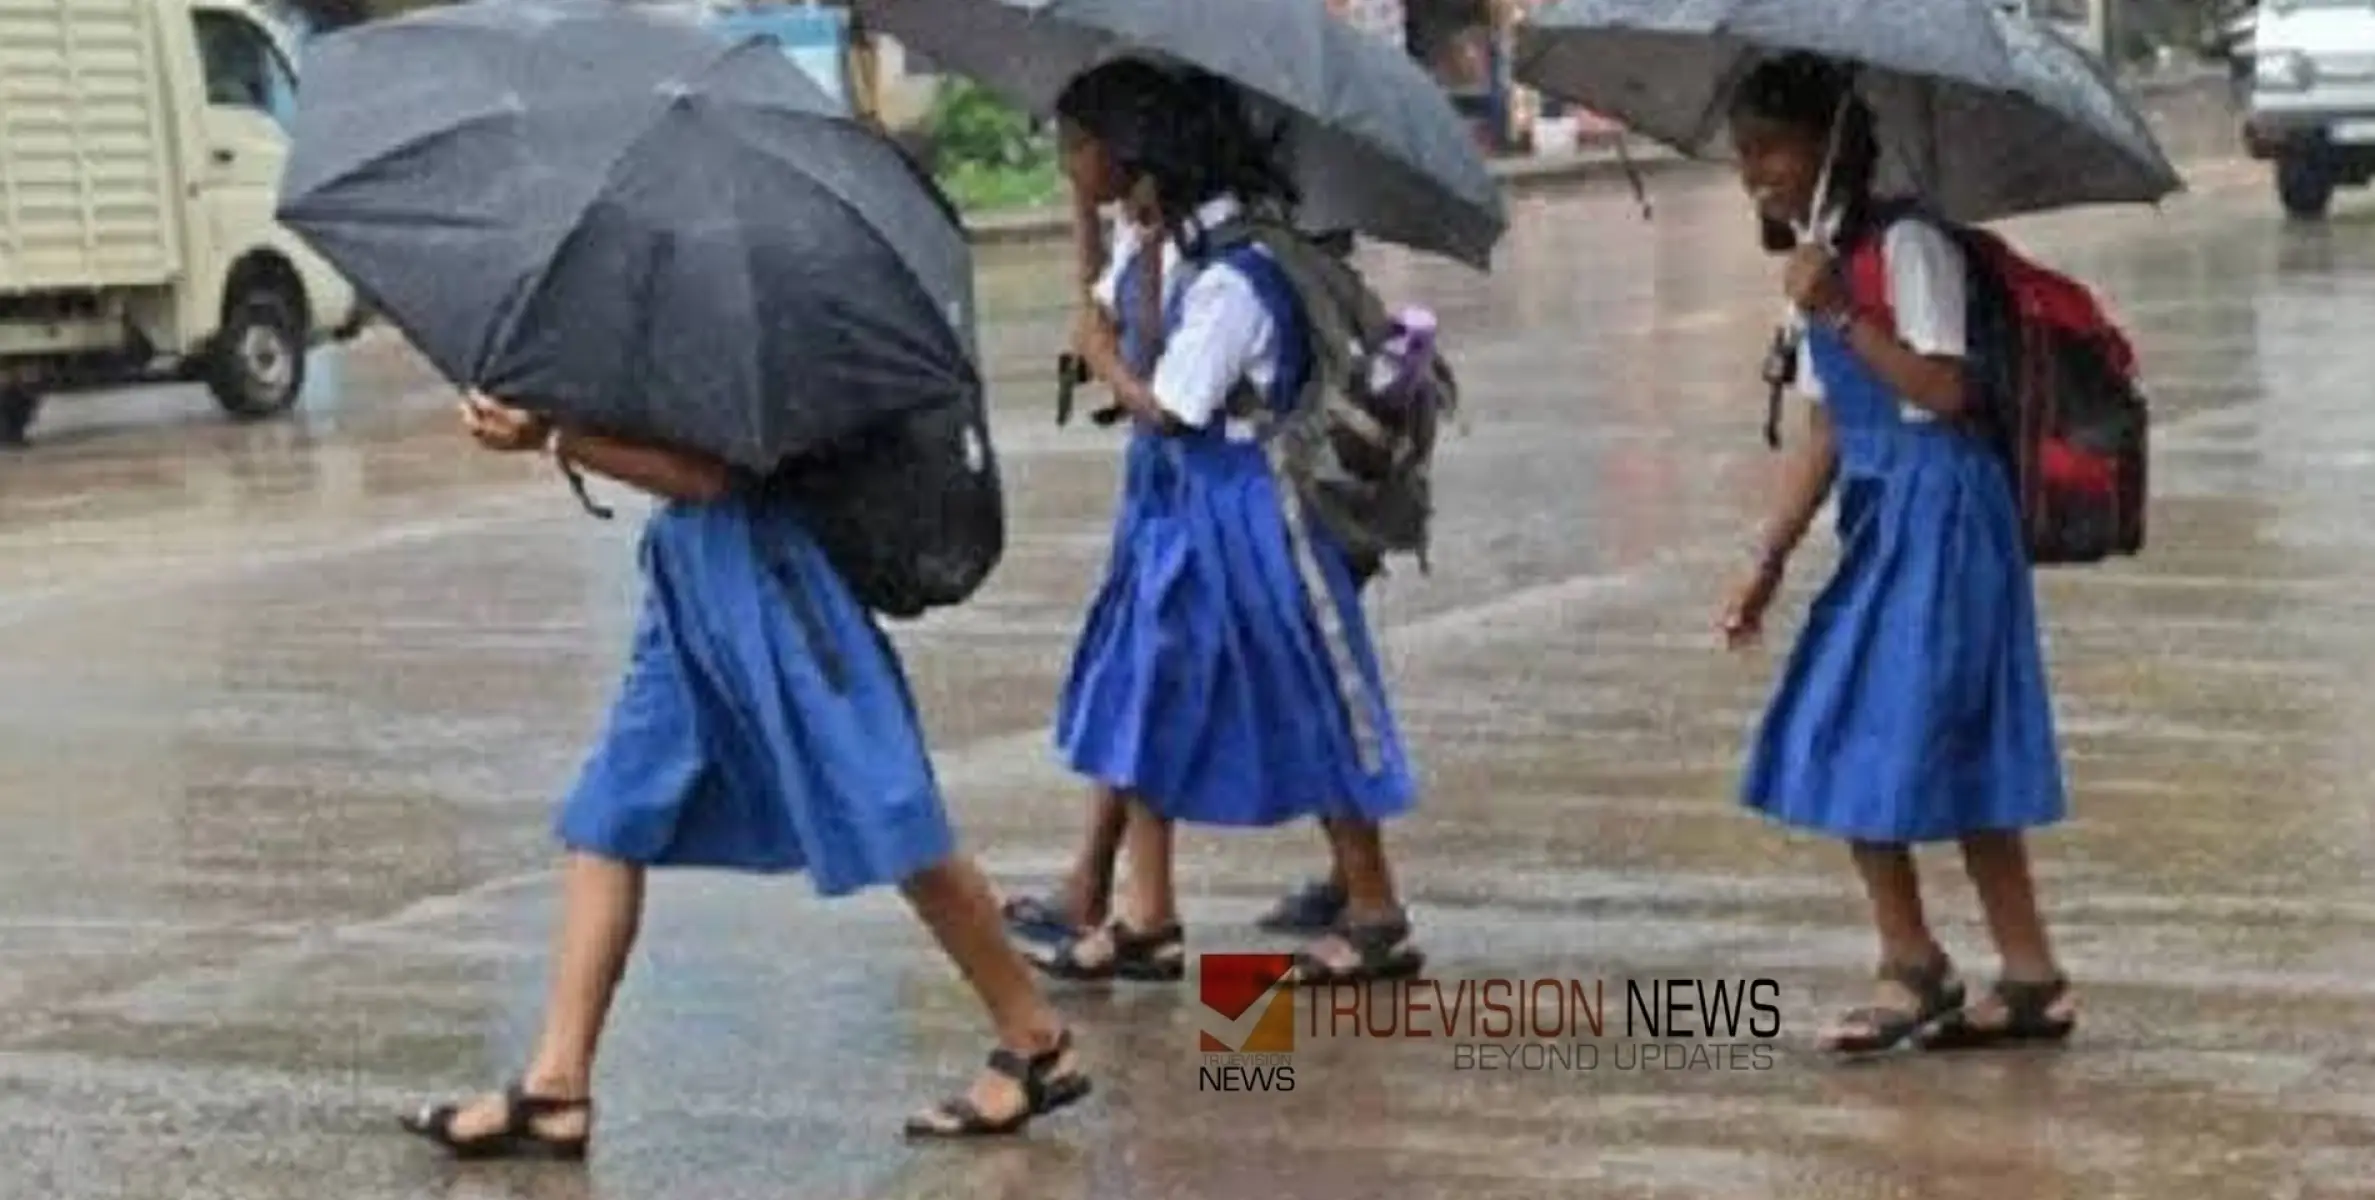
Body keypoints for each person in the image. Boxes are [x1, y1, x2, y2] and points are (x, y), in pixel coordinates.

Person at [398, 396, 1091, 1157]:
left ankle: (1034, 1039)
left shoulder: (754, 308)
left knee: (889, 812)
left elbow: (706, 473)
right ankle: (556, 1083)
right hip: (691, 575)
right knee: (608, 815)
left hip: (774, 579)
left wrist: (555, 438)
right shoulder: (683, 300)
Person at [1027, 64, 1424, 985]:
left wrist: (1102, 360)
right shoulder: (1168, 245)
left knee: (1307, 696)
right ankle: (1146, 912)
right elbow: (1107, 302)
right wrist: (1094, 228)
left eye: (1078, 146)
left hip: (1249, 513)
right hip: (1182, 506)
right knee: (1143, 688)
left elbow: (1172, 406)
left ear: (1132, 156)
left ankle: (1373, 910)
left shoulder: (1237, 277)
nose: (1067, 160)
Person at [1720, 53, 2077, 1054]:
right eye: (1742, 156)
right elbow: (1825, 434)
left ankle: (1921, 969)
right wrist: (1766, 559)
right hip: (1882, 518)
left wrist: (1837, 309)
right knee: (1862, 728)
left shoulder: (1904, 246)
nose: (1754, 174)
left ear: (1824, 141)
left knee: (1890, 733)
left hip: (1946, 512)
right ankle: (2010, 973)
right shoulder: (1819, 256)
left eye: (1769, 150)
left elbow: (1945, 391)